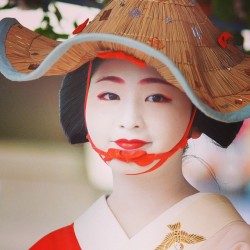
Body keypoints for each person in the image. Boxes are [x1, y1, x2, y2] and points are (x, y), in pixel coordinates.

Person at [0, 0, 250, 249]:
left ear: (197, 116)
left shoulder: (233, 242)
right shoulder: (51, 246)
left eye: (156, 98)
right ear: (82, 105)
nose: (129, 121)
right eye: (110, 96)